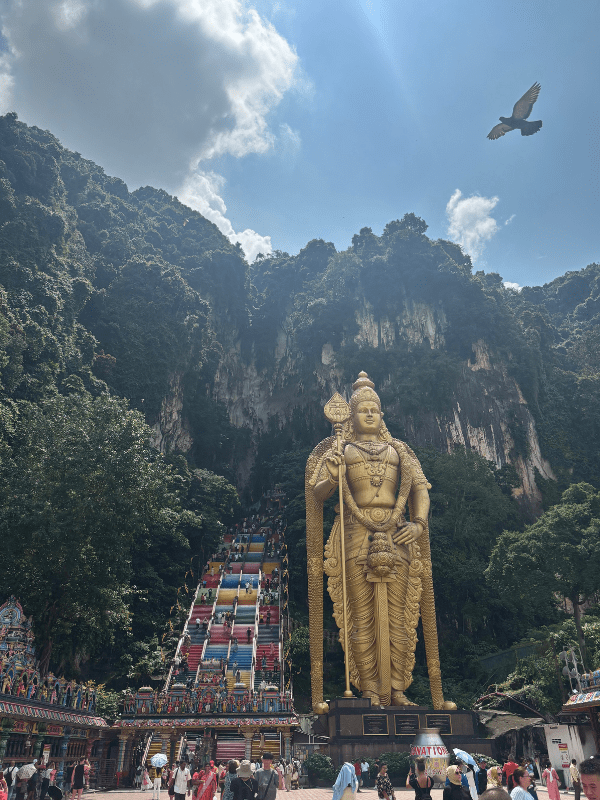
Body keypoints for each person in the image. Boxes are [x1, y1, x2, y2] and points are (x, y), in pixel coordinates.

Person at [307, 372, 451, 708]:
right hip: (355, 533)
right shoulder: (340, 449)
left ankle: (398, 689)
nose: (369, 413)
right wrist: (333, 471)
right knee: (361, 617)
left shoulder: (399, 450)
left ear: (382, 414)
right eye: (363, 409)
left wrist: (417, 523)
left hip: (398, 531)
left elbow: (420, 490)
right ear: (352, 416)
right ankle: (370, 689)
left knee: (400, 616)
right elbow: (318, 494)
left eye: (375, 408)